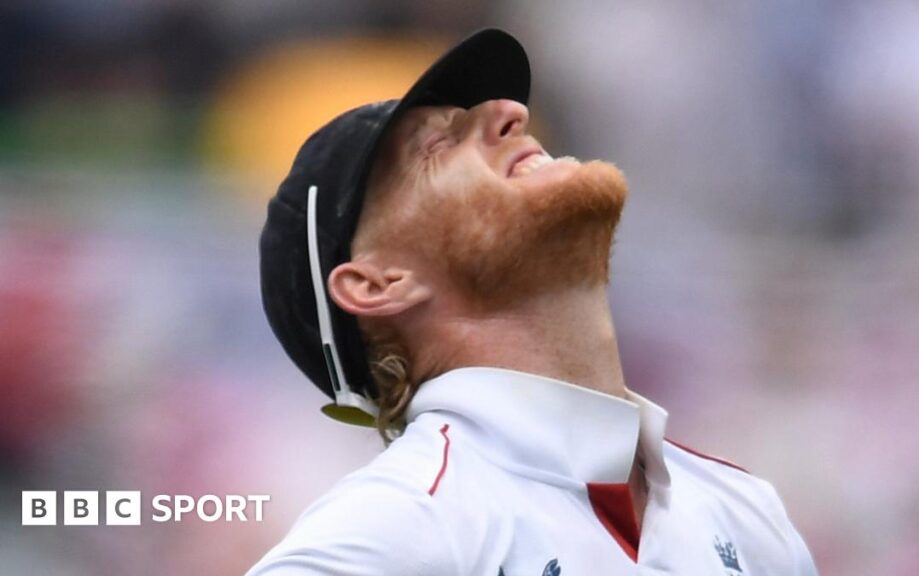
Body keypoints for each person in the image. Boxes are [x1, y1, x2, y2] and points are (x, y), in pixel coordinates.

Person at [251, 28, 817, 576]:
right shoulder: (403, 523)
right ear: (377, 284)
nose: (511, 112)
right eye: (436, 146)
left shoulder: (748, 516)